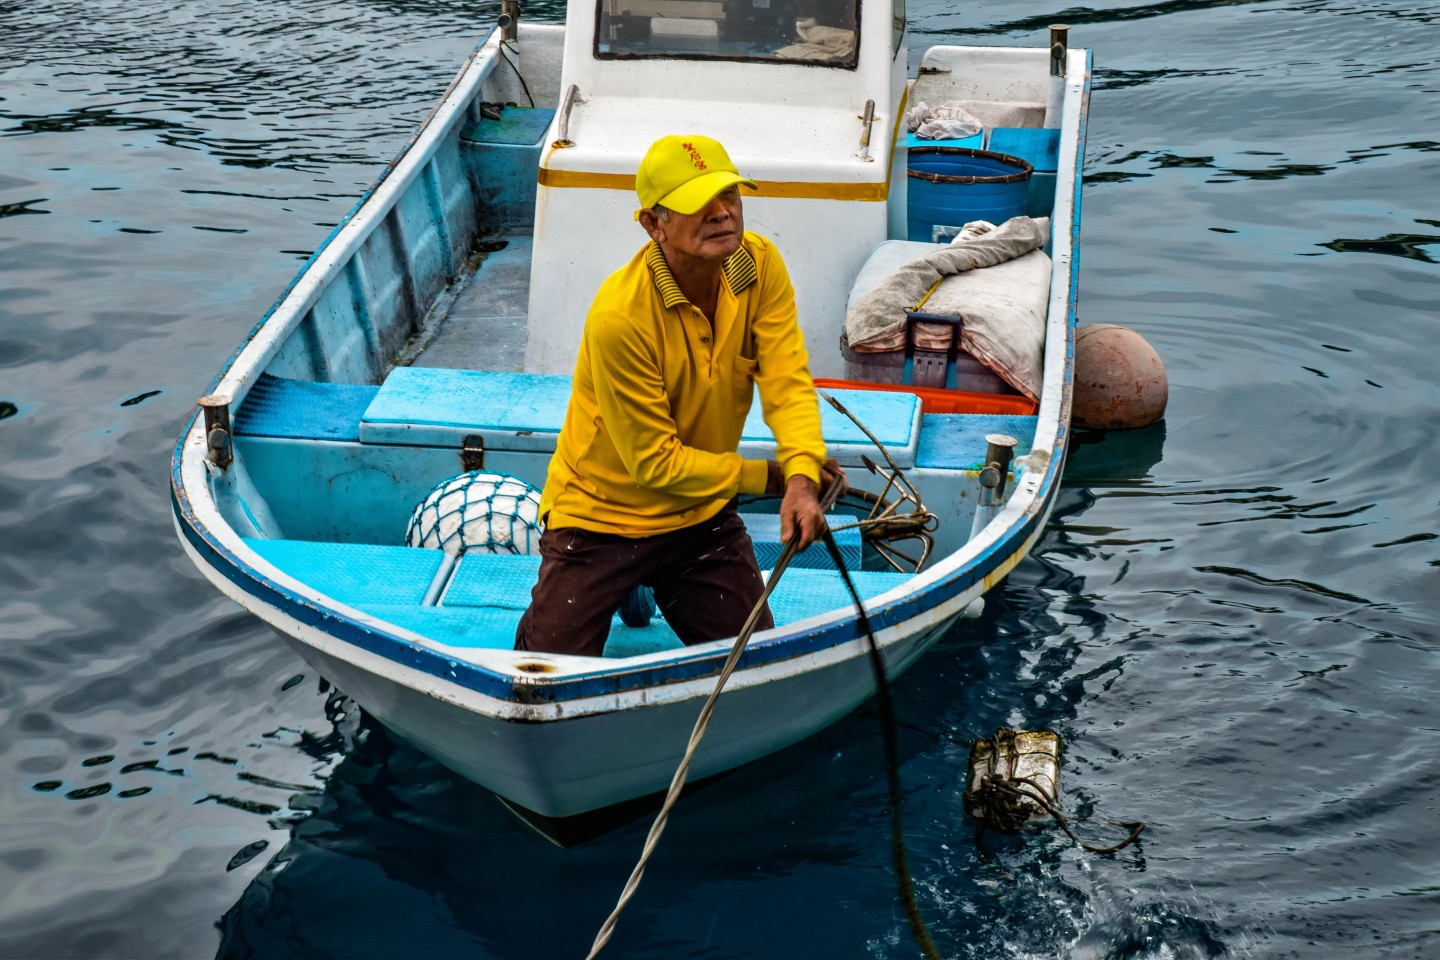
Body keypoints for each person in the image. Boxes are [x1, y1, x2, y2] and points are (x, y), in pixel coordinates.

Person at [515, 134, 843, 658]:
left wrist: (802, 472)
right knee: (541, 676)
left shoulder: (760, 266)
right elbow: (655, 464)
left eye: (730, 194)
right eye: (697, 203)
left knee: (754, 665)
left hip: (699, 514)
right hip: (601, 517)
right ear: (653, 224)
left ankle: (645, 587)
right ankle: (625, 584)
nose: (721, 213)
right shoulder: (620, 319)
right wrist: (771, 477)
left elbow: (787, 380)